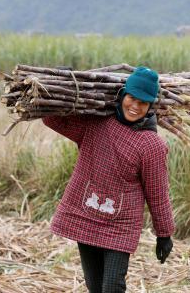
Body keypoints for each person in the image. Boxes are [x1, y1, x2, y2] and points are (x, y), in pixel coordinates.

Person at [42, 67, 175, 293]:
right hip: (86, 214)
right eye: (132, 98)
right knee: (95, 287)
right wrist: (55, 91)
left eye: (143, 103)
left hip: (120, 225)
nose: (135, 106)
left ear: (151, 106)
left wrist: (164, 234)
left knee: (112, 287)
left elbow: (158, 193)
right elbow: (52, 120)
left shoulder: (151, 146)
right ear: (123, 94)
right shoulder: (96, 124)